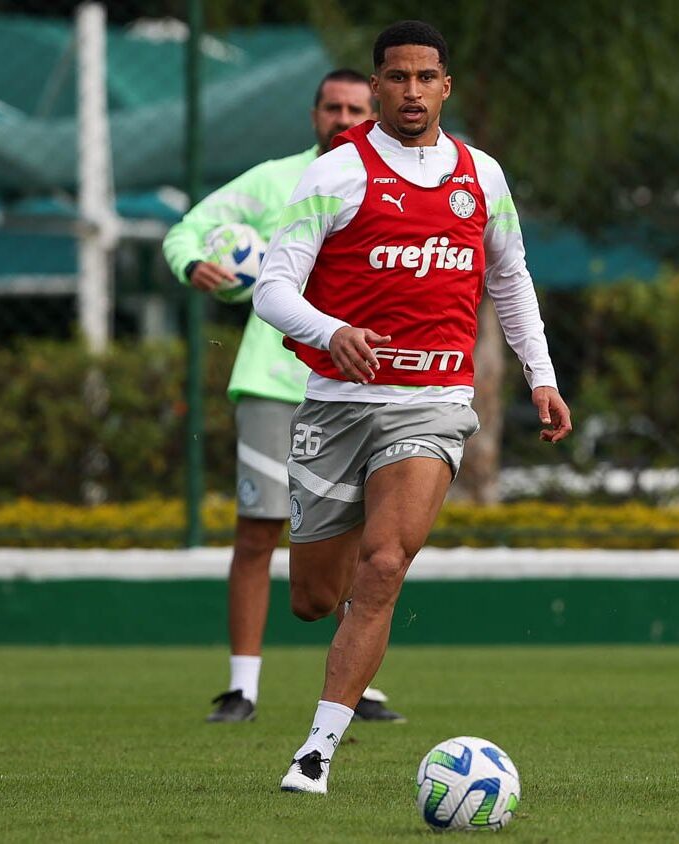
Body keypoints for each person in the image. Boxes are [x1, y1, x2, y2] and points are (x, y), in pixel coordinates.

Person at [252, 20, 572, 795]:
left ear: (446, 86)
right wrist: (334, 332)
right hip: (335, 406)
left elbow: (511, 280)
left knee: (387, 564)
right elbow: (271, 291)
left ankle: (316, 751)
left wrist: (542, 376)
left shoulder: (481, 177)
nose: (412, 92)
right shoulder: (336, 174)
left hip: (431, 402)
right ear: (376, 89)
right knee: (313, 598)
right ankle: (352, 552)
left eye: (426, 77)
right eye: (396, 78)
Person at [163, 70, 406, 724]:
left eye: (356, 107)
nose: (343, 116)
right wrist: (194, 264)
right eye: (333, 106)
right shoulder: (274, 180)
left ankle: (359, 687)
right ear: (314, 113)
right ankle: (243, 686)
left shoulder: (393, 184)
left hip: (360, 389)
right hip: (275, 384)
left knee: (364, 538)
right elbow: (188, 228)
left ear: (375, 109)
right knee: (259, 531)